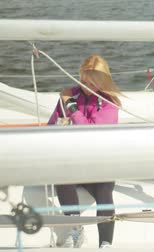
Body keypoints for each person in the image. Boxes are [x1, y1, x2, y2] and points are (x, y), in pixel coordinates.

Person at [48, 54, 122, 249]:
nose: (85, 86)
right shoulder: (70, 94)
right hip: (74, 160)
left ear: (102, 81)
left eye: (91, 82)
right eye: (82, 80)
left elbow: (92, 132)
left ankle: (105, 244)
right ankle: (76, 230)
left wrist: (71, 106)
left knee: (105, 189)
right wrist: (58, 124)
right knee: (62, 178)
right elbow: (50, 125)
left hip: (101, 163)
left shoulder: (109, 103)